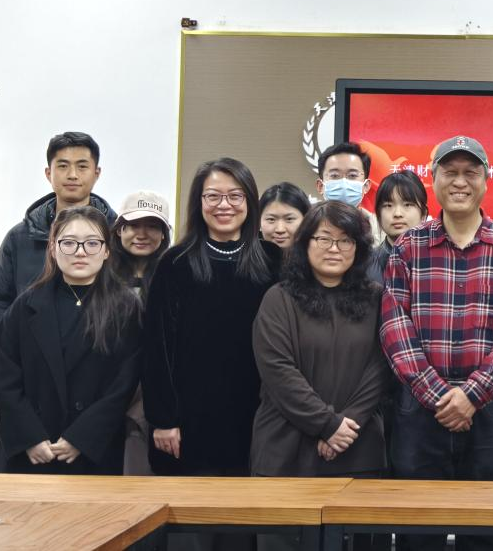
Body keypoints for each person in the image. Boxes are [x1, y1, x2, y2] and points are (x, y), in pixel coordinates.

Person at [379, 135, 493, 552]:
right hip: (419, 410)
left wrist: (471, 395)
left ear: (486, 180)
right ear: (434, 179)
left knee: (480, 531)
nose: (460, 181)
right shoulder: (408, 247)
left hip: (488, 411)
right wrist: (440, 396)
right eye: (450, 172)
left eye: (470, 173)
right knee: (417, 533)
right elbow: (394, 327)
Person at [142, 158, 284, 479]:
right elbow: (156, 348)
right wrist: (163, 419)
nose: (224, 205)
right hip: (187, 420)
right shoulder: (175, 263)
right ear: (199, 201)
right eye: (213, 196)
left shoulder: (273, 261)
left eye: (235, 196)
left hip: (258, 414)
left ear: (250, 201)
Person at [0, 206, 141, 475]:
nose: (80, 252)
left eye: (92, 243)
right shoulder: (25, 306)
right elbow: (3, 377)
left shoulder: (126, 308)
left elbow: (125, 383)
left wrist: (82, 438)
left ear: (107, 250)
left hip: (93, 451)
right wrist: (30, 438)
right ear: (52, 247)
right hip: (32, 453)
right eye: (69, 243)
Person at [251, 200, 388, 480]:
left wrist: (345, 426)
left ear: (359, 248)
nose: (334, 248)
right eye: (324, 239)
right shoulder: (278, 299)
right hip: (285, 450)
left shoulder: (377, 298)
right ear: (305, 243)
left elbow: (381, 368)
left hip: (357, 446)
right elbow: (278, 371)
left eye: (345, 240)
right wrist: (327, 425)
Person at [0, 131, 117, 329]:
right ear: (48, 173)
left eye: (82, 166)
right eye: (63, 166)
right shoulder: (20, 237)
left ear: (96, 173)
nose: (72, 175)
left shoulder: (117, 235)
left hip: (101, 345)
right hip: (32, 347)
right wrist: (9, 342)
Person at [110, 191, 173, 476]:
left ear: (164, 233)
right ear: (119, 230)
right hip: (106, 397)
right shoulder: (101, 276)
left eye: (152, 226)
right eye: (134, 225)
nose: (142, 234)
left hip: (152, 404)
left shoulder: (175, 278)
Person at [368, 170, 428, 283]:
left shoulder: (439, 261)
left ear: (423, 214)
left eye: (407, 205)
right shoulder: (364, 266)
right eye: (388, 205)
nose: (397, 213)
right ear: (378, 214)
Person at [317, 142, 382, 239]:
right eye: (334, 175)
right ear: (321, 186)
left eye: (352, 175)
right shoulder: (306, 226)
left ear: (366, 186)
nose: (344, 182)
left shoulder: (381, 229)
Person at [259, 181, 311, 250]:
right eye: (271, 219)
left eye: (289, 219)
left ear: (306, 220)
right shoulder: (246, 254)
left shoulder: (318, 254)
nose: (280, 230)